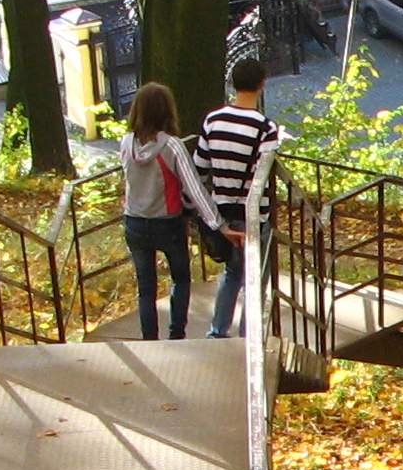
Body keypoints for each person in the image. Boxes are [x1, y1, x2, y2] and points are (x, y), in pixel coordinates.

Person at [118, 83, 225, 340]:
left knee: (146, 288)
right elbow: (194, 188)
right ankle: (176, 335)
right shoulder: (172, 146)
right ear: (167, 111)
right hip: (168, 224)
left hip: (134, 221)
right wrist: (217, 223)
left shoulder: (125, 143)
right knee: (181, 279)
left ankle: (149, 340)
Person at [195, 57, 284, 341]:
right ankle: (250, 336)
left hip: (223, 213)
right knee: (256, 277)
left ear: (232, 84)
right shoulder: (265, 128)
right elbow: (263, 172)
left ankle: (217, 331)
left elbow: (200, 166)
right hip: (254, 215)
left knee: (233, 273)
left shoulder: (213, 120)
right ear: (261, 85)